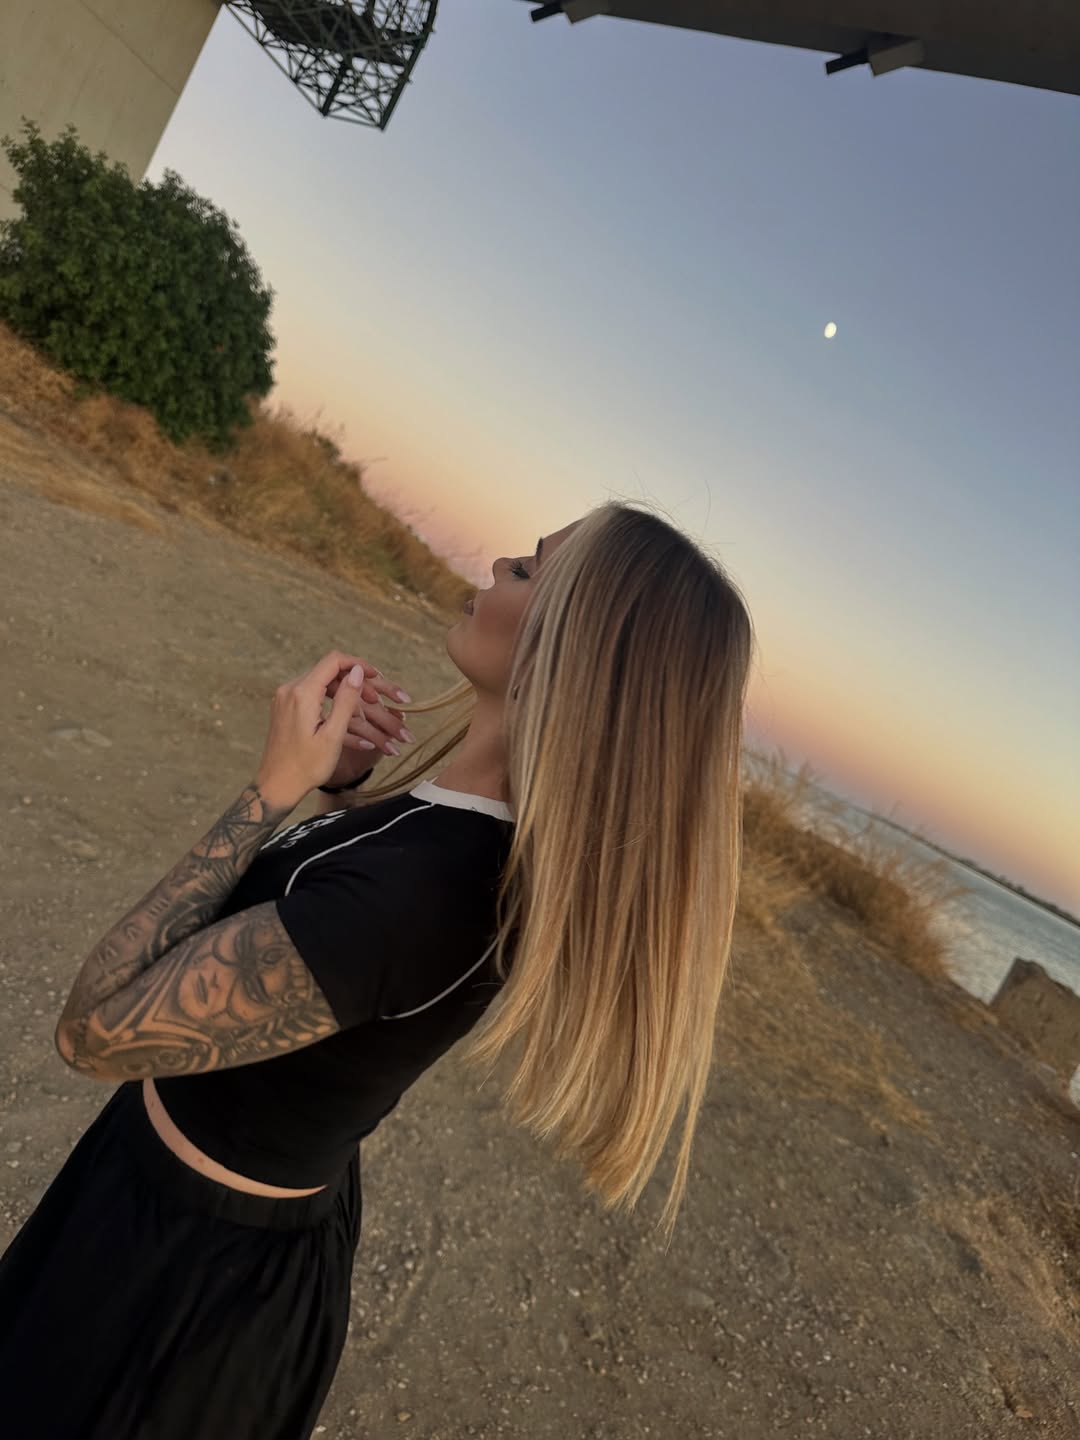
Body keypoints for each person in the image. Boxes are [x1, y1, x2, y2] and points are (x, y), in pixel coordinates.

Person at [0, 500, 753, 1439]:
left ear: (574, 652)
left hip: (179, 1286)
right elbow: (336, 930)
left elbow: (92, 1030)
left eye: (528, 569)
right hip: (170, 1204)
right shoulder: (458, 828)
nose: (498, 565)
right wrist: (340, 793)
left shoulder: (432, 893)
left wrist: (269, 790)